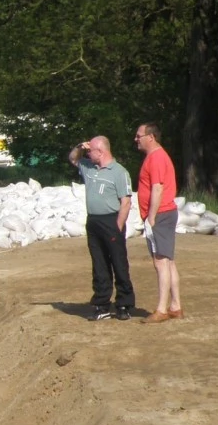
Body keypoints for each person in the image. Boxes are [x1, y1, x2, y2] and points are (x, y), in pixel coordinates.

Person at [68, 136, 135, 320]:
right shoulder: (88, 167)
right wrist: (80, 146)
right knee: (99, 264)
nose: (88, 153)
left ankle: (124, 304)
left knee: (119, 263)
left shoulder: (119, 172)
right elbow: (73, 158)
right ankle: (101, 303)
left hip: (111, 221)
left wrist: (118, 227)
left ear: (101, 151)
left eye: (91, 151)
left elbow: (126, 202)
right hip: (94, 222)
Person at [134, 123, 182, 323]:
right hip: (163, 214)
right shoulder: (156, 157)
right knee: (168, 262)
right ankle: (175, 305)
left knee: (160, 262)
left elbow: (157, 188)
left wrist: (151, 217)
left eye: (139, 136)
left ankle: (162, 309)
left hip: (160, 215)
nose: (136, 139)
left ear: (151, 137)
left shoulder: (156, 158)